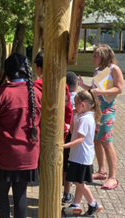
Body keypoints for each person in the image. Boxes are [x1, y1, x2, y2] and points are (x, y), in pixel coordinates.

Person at [0, 53, 42, 218]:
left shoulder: (1, 93)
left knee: (1, 195)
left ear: (6, 72)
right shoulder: (36, 93)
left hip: (4, 154)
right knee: (21, 194)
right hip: (28, 154)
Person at [77, 44, 123, 189]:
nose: (92, 59)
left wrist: (102, 91)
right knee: (97, 141)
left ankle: (113, 177)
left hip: (107, 110)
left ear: (103, 56)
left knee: (106, 142)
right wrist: (84, 86)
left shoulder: (114, 69)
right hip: (96, 110)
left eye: (95, 56)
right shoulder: (97, 71)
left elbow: (119, 88)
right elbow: (94, 90)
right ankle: (102, 171)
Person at [62, 90, 103, 216]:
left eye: (76, 104)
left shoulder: (86, 119)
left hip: (81, 156)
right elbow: (74, 131)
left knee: (78, 183)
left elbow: (79, 139)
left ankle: (93, 204)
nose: (74, 106)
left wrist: (63, 146)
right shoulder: (82, 116)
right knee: (80, 181)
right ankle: (76, 204)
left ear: (83, 104)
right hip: (81, 156)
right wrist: (73, 118)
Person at [62, 71, 78, 205]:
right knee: (68, 165)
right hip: (73, 135)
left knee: (63, 164)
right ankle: (67, 193)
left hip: (64, 133)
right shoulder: (79, 98)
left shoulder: (63, 97)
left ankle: (62, 191)